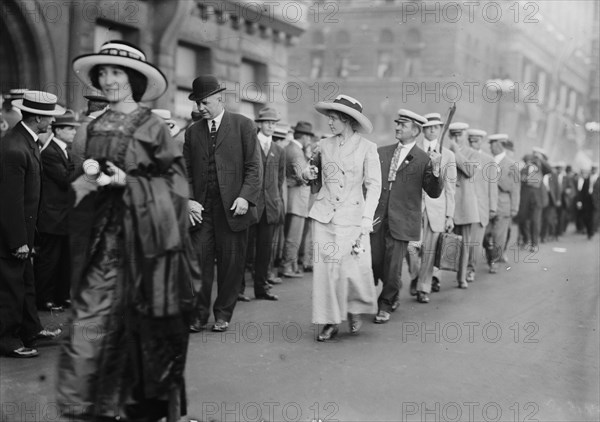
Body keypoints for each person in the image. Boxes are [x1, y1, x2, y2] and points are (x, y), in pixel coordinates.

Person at [57, 40, 197, 420]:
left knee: (148, 331)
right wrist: (85, 183)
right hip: (104, 241)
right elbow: (84, 174)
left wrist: (128, 181)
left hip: (148, 244)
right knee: (94, 324)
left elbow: (177, 187)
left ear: (133, 78)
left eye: (115, 71)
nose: (107, 78)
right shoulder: (94, 125)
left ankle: (145, 409)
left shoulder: (153, 127)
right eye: (102, 72)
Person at [184, 75, 262, 333]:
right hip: (201, 211)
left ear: (220, 98)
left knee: (231, 265)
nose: (200, 109)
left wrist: (245, 196)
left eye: (204, 103)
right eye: (197, 104)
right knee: (199, 263)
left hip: (233, 209)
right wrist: (188, 200)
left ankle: (223, 314)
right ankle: (198, 315)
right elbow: (184, 171)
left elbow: (254, 167)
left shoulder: (243, 125)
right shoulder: (192, 132)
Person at [303, 94, 381, 340]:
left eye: (334, 118)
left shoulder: (368, 148)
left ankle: (354, 310)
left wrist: (367, 218)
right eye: (329, 118)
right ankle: (329, 321)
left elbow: (374, 185)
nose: (330, 123)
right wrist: (308, 174)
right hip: (325, 216)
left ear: (348, 120)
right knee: (325, 271)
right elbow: (314, 178)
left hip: (353, 218)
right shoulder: (323, 146)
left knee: (351, 269)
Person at [0, 90, 65, 358]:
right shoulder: (15, 147)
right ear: (38, 117)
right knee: (10, 289)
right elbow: (10, 202)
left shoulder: (26, 141)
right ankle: (6, 340)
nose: (51, 122)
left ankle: (30, 329)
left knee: (26, 284)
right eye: (49, 117)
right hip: (12, 235)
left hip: (25, 231)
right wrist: (18, 241)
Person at [371, 109, 442, 324]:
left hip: (402, 222)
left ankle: (385, 304)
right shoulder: (381, 152)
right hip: (376, 219)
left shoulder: (424, 159)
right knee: (374, 262)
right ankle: (394, 289)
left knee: (393, 266)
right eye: (397, 123)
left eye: (403, 124)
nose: (397, 127)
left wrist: (436, 169)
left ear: (415, 131)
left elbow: (434, 192)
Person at [34, 109, 79, 312]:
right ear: (58, 130)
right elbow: (66, 180)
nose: (73, 133)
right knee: (49, 260)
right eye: (70, 129)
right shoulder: (50, 152)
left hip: (63, 215)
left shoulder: (64, 150)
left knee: (64, 259)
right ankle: (44, 298)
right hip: (52, 216)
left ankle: (61, 295)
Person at [411, 112, 457, 303]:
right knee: (410, 248)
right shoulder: (413, 150)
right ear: (422, 129)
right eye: (428, 127)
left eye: (435, 127)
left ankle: (424, 287)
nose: (431, 130)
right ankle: (415, 276)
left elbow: (450, 189)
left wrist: (449, 216)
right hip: (414, 207)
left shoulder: (448, 155)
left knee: (430, 250)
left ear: (439, 129)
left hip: (437, 209)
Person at [240, 106, 284, 301]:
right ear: (259, 124)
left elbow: (279, 179)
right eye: (267, 122)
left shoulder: (278, 150)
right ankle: (238, 289)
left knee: (265, 251)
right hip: (250, 205)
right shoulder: (249, 145)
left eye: (274, 123)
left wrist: (276, 202)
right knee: (245, 249)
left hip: (269, 207)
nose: (271, 126)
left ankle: (261, 288)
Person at [281, 121, 314, 278]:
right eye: (309, 137)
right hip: (297, 200)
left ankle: (292, 265)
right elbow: (303, 176)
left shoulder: (289, 148)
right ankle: (288, 266)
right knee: (293, 236)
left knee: (290, 235)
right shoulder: (296, 152)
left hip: (290, 198)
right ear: (305, 137)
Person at [485, 134, 520, 273]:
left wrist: (514, 208)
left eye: (492, 144)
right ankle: (491, 257)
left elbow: (515, 188)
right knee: (485, 236)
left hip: (503, 205)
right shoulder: (487, 161)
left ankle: (494, 261)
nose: (490, 147)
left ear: (499, 145)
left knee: (499, 237)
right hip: (486, 205)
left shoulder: (511, 165)